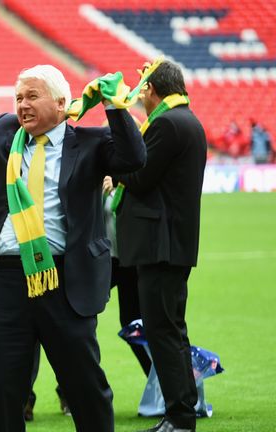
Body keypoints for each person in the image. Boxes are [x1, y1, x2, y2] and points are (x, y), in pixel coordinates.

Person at [0, 64, 146, 432]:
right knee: (2, 390)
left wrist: (116, 107)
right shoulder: (3, 133)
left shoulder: (90, 143)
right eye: (18, 98)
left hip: (65, 280)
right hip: (5, 281)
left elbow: (134, 158)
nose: (22, 105)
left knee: (86, 388)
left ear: (62, 103)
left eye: (31, 96)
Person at [112, 60, 207, 432]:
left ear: (150, 90)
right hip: (173, 243)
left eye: (142, 91)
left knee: (162, 332)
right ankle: (184, 410)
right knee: (172, 329)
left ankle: (179, 417)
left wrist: (110, 167)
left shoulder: (166, 123)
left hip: (159, 244)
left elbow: (139, 176)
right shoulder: (189, 120)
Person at [103, 176, 152, 377]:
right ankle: (70, 393)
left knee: (133, 324)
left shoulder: (131, 173)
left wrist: (118, 188)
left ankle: (157, 383)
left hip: (130, 260)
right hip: (102, 261)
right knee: (76, 322)